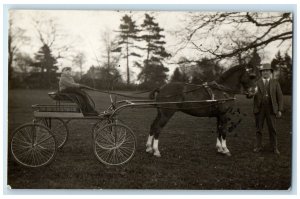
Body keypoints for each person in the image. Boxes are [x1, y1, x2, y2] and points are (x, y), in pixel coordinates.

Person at [253, 63, 283, 155]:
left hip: (271, 109)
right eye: (263, 71)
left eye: (267, 71)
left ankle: (274, 148)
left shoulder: (275, 83)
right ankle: (258, 146)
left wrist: (279, 110)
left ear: (270, 72)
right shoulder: (256, 83)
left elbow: (280, 97)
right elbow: (251, 95)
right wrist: (250, 94)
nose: (265, 72)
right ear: (261, 73)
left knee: (272, 129)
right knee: (259, 129)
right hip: (259, 109)